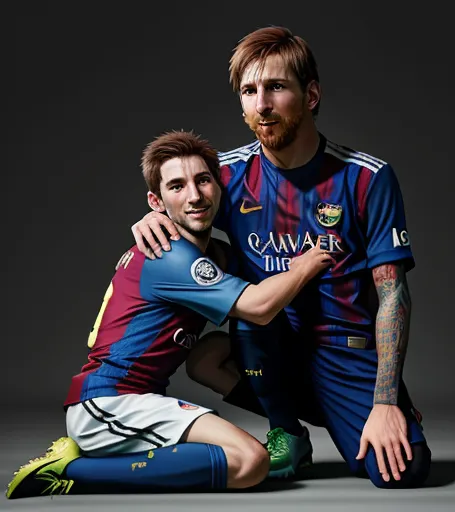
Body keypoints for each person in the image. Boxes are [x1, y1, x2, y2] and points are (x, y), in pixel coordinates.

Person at [130, 26, 432, 489]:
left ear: (310, 95)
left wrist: (386, 401)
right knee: (238, 331)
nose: (261, 105)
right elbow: (182, 203)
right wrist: (150, 222)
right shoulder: (226, 175)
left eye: (275, 87)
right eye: (249, 91)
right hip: (269, 339)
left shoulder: (367, 178)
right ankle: (286, 430)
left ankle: (349, 409)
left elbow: (393, 295)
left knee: (403, 472)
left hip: (342, 349)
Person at [6, 130, 335, 500]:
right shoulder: (170, 256)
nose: (194, 196)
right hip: (107, 403)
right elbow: (258, 307)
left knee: (209, 356)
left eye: (203, 180)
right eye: (176, 186)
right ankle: (70, 471)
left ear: (218, 186)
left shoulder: (211, 254)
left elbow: (243, 277)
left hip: (137, 401)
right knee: (249, 462)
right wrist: (305, 266)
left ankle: (287, 426)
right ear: (156, 201)